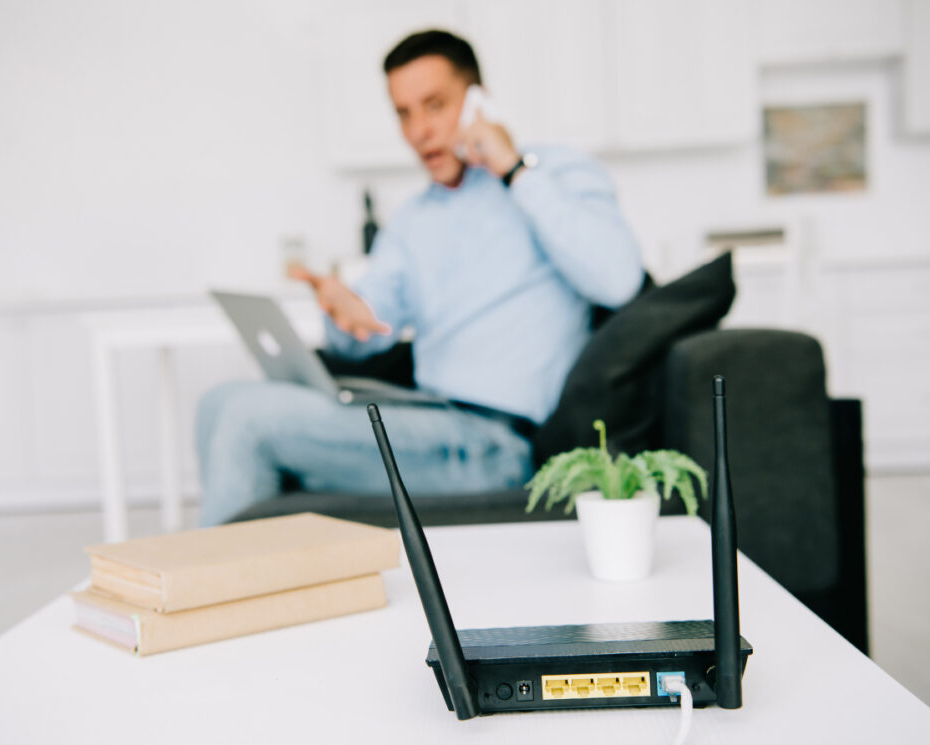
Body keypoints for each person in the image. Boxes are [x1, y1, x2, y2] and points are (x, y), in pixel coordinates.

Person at [196, 30, 644, 526]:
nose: (419, 131)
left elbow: (619, 280)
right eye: (404, 114)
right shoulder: (413, 220)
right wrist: (347, 312)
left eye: (435, 105)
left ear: (479, 102)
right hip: (426, 422)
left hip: (492, 445)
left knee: (246, 420)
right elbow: (365, 332)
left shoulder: (553, 174)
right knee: (218, 402)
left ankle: (201, 594)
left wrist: (512, 166)